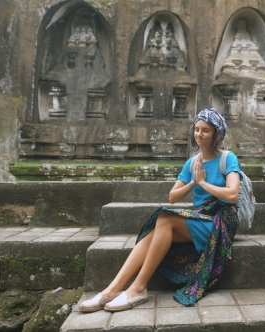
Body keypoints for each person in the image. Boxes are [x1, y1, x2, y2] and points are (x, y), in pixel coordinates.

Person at [78, 108, 242, 312]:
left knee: (164, 217)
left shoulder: (228, 158)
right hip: (201, 217)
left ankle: (137, 288)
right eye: (196, 129)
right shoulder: (192, 163)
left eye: (205, 130)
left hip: (221, 222)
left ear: (216, 134)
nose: (199, 134)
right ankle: (112, 289)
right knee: (158, 225)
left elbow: (232, 194)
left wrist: (203, 183)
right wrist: (192, 182)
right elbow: (173, 197)